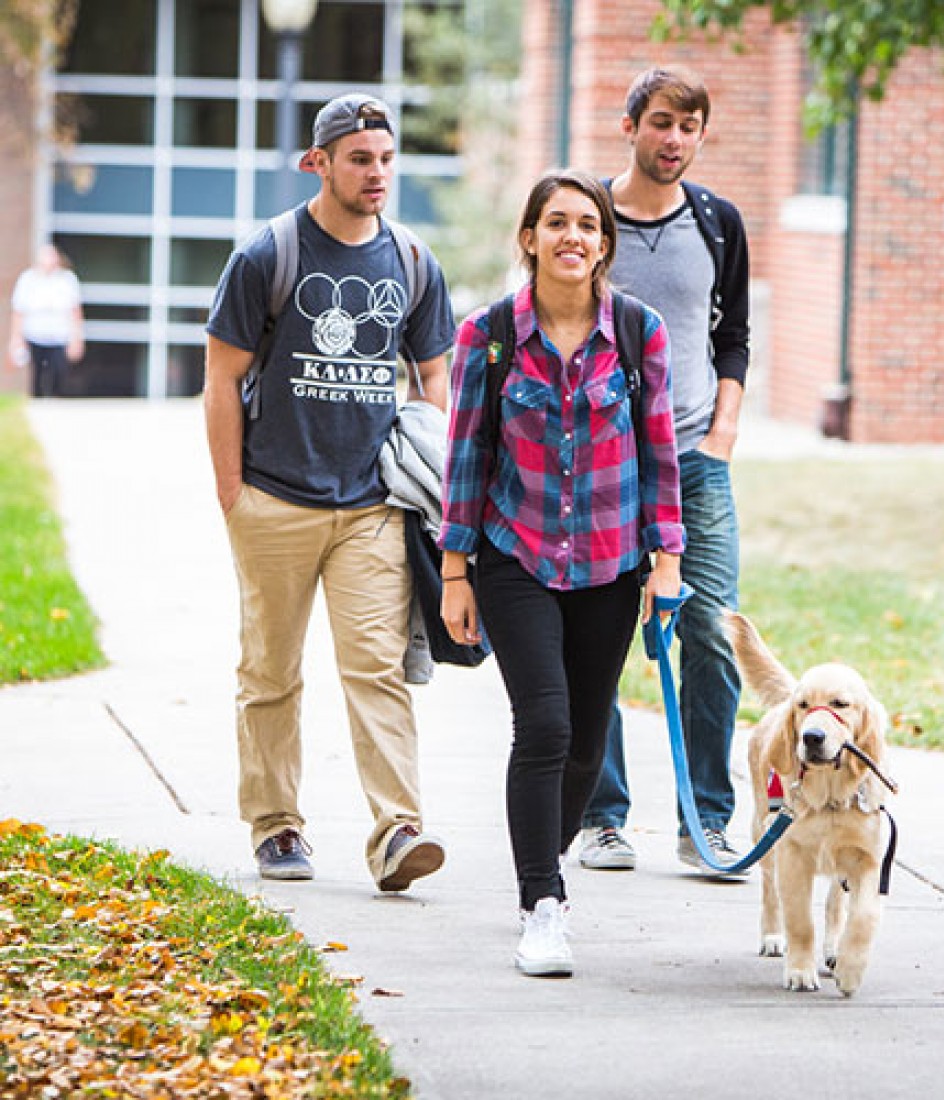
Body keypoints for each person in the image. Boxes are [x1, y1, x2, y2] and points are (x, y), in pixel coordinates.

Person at [203, 93, 454, 891]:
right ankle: (276, 828)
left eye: (385, 159)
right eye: (359, 159)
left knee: (376, 666)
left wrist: (423, 468)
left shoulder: (412, 262)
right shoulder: (267, 256)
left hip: (371, 504)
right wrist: (231, 493)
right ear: (319, 163)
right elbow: (220, 380)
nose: (376, 173)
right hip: (274, 498)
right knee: (271, 670)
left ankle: (397, 831)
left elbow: (434, 378)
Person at [439, 169, 685, 977]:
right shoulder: (490, 336)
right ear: (530, 238)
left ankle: (543, 860)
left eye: (588, 224)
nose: (572, 237)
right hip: (518, 554)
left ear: (605, 243)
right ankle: (541, 902)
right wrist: (455, 568)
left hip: (613, 562)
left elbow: (659, 453)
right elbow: (467, 450)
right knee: (543, 725)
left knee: (586, 737)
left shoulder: (640, 332)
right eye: (556, 223)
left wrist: (667, 561)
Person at [578, 67, 752, 877]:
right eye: (660, 123)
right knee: (599, 640)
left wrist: (721, 433)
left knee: (713, 634)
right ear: (630, 126)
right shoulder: (585, 215)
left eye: (688, 126)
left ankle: (704, 818)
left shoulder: (719, 222)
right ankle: (602, 816)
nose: (674, 139)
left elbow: (733, 338)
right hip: (601, 463)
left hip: (693, 461)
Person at [8, 242, 85, 397]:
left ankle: (56, 400)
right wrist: (16, 339)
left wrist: (77, 338)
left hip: (59, 335)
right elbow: (19, 311)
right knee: (37, 372)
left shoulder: (66, 280)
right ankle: (37, 402)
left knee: (58, 371)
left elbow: (75, 311)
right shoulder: (28, 279)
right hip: (35, 334)